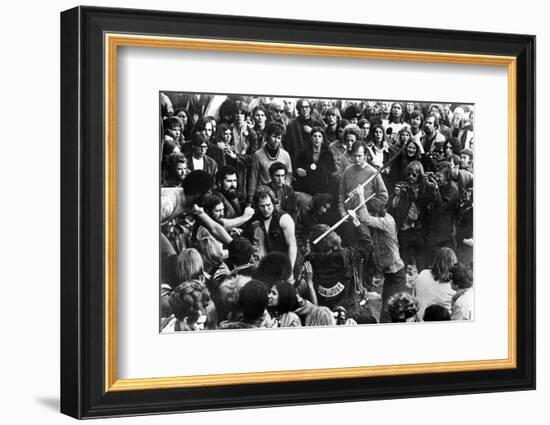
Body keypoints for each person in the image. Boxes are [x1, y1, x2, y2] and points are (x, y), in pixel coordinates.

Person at [306, 199, 372, 319]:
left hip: (327, 312)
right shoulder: (345, 255)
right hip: (349, 310)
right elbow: (366, 243)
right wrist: (356, 221)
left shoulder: (311, 259)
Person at [358, 195, 407, 323]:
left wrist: (360, 195)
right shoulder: (380, 219)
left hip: (397, 275)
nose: (370, 215)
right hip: (391, 274)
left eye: (371, 212)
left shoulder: (387, 222)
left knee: (388, 312)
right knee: (391, 310)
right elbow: (362, 218)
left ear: (375, 212)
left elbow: (365, 218)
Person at [160, 171, 233, 245]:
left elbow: (214, 227)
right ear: (197, 193)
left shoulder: (194, 204)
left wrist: (233, 245)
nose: (210, 197)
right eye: (208, 193)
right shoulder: (167, 203)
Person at [249, 187, 298, 274]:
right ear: (257, 205)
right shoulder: (256, 219)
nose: (266, 209)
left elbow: (292, 245)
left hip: (289, 263)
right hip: (272, 264)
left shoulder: (284, 218)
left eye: (268, 205)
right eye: (262, 206)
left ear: (274, 203)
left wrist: (289, 271)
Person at [338, 141, 388, 219]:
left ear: (365, 155)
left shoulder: (373, 173)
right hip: (348, 216)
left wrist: (369, 210)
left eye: (359, 156)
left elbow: (383, 196)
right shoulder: (347, 171)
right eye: (354, 156)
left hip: (366, 218)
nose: (357, 159)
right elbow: (341, 193)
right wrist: (342, 210)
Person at [248, 122, 292, 203]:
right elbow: (253, 178)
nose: (276, 140)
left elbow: (289, 174)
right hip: (264, 195)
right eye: (274, 137)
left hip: (281, 194)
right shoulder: (258, 155)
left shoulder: (285, 155)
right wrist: (250, 200)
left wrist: (284, 187)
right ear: (268, 136)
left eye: (279, 138)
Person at [413, 247, 457, 319]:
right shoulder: (451, 289)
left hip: (417, 319)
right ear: (453, 263)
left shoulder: (423, 273)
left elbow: (414, 298)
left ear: (436, 260)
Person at [294, 127, 336, 196]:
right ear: (311, 138)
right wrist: (298, 170)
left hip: (323, 188)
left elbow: (331, 171)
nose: (317, 138)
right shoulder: (304, 153)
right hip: (307, 187)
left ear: (322, 139)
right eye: (315, 136)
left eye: (319, 136)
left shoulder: (327, 154)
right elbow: (297, 167)